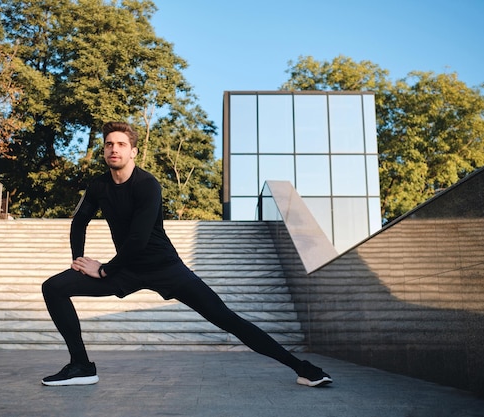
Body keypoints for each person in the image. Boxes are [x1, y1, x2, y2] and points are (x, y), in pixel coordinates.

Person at [41, 121, 333, 388]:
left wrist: (104, 269)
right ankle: (81, 365)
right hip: (126, 270)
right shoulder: (98, 185)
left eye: (120, 144)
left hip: (165, 268)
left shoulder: (147, 185)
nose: (113, 149)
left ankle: (304, 368)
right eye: (108, 144)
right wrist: (79, 261)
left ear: (133, 152)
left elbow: (139, 239)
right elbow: (80, 220)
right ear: (104, 150)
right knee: (54, 287)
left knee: (225, 318)